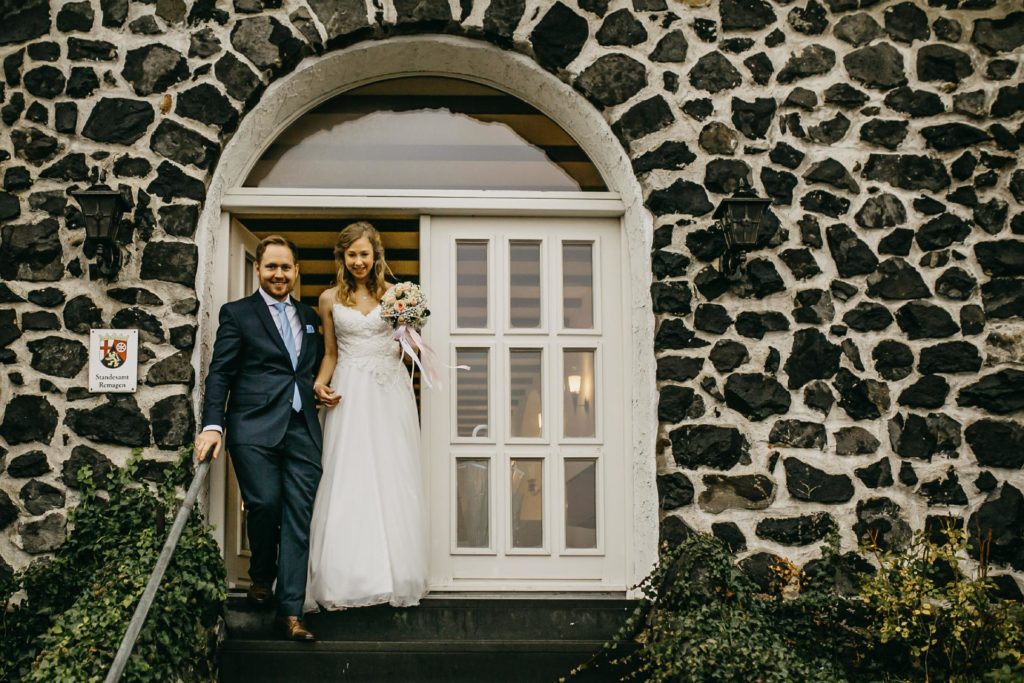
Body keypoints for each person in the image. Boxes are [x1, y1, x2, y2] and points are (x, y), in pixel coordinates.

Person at [195, 235, 323, 642]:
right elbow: (221, 373)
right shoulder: (237, 314)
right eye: (272, 267)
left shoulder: (310, 316)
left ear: (296, 271)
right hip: (252, 427)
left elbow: (309, 368)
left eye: (286, 267)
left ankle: (290, 612)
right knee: (265, 503)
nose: (279, 274)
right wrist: (214, 425)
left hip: (303, 430)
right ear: (258, 269)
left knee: (299, 517)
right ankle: (261, 575)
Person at [305, 221, 428, 611]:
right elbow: (330, 353)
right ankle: (346, 575)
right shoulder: (328, 299)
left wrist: (411, 328)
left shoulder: (395, 296)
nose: (358, 261)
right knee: (348, 475)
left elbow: (410, 353)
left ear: (376, 256)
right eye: (351, 254)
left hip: (388, 388)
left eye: (364, 254)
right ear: (342, 257)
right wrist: (318, 386)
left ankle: (396, 573)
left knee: (392, 474)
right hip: (349, 391)